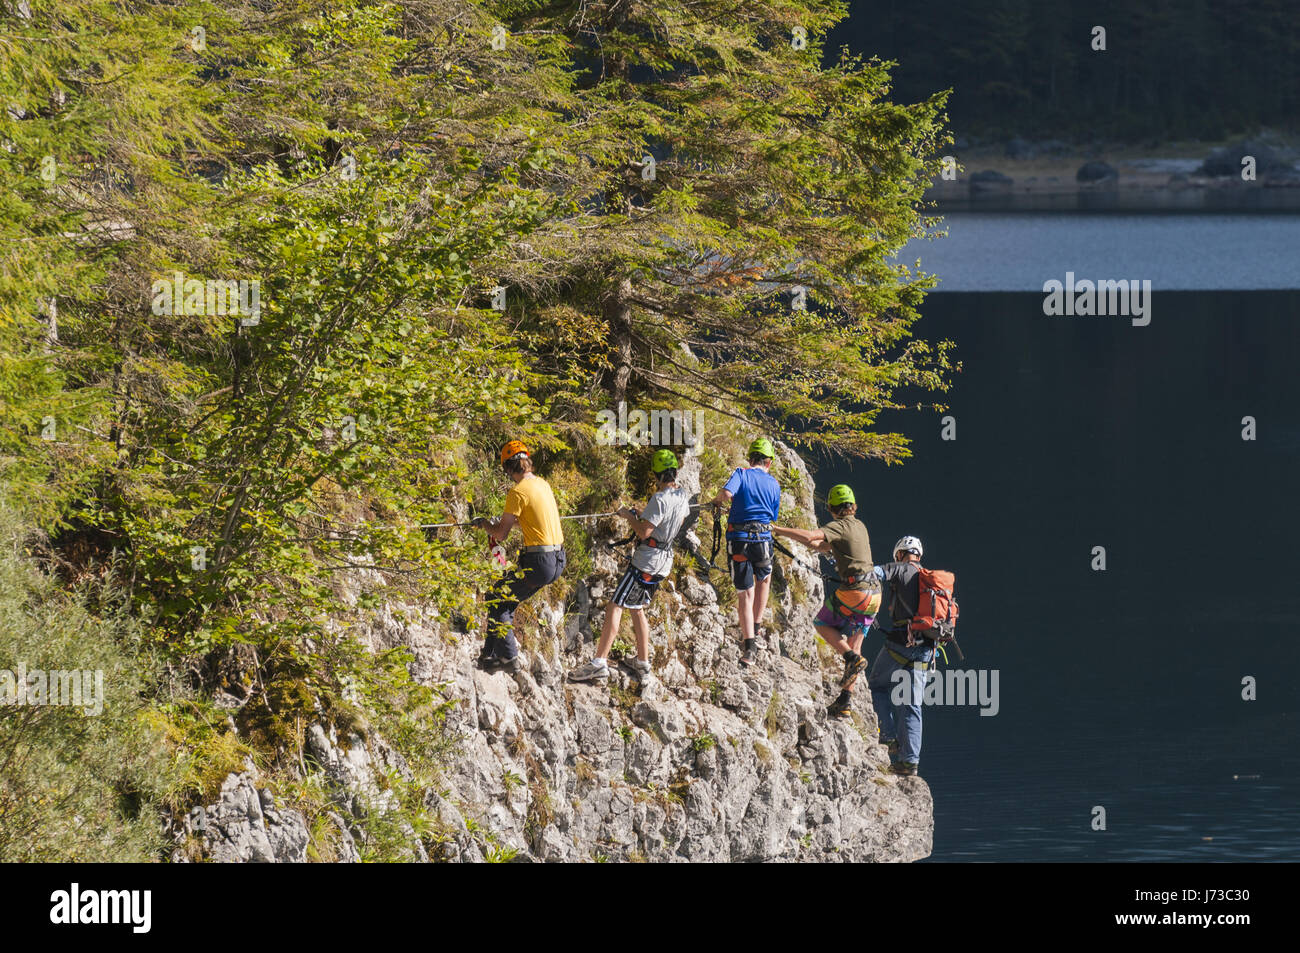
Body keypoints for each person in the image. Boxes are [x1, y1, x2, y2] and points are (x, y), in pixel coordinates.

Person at [569, 449, 691, 682]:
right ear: (674, 472)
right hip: (664, 562)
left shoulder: (660, 498)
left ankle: (599, 662)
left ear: (657, 474)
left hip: (647, 561)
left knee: (615, 606)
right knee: (637, 607)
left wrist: (628, 516)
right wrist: (645, 515)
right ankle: (643, 662)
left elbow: (645, 532)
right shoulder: (682, 495)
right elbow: (677, 520)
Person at [772, 484, 881, 720]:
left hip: (855, 591)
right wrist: (803, 542)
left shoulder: (838, 525)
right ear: (854, 506)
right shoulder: (859, 526)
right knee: (855, 644)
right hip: (875, 595)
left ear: (831, 508)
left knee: (822, 623)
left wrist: (778, 530)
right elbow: (818, 545)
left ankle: (851, 659)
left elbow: (813, 536)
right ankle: (844, 703)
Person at [471, 440, 566, 672]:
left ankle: (509, 659)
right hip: (558, 560)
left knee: (497, 598)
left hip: (539, 562)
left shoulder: (518, 491)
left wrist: (484, 524)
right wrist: (500, 522)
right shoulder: (543, 485)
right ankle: (489, 656)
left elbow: (501, 535)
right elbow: (530, 523)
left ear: (509, 468)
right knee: (505, 600)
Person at [711, 438, 782, 667]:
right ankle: (757, 624)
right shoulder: (774, 484)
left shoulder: (741, 474)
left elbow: (727, 495)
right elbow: (772, 515)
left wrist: (716, 501)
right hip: (763, 540)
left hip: (739, 539)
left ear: (750, 458)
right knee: (764, 579)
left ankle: (749, 647)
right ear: (769, 462)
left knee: (744, 593)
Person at [864, 535, 932, 776]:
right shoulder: (928, 577)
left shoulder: (900, 568)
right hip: (926, 649)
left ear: (901, 553)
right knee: (911, 704)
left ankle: (888, 736)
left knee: (876, 686)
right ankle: (909, 762)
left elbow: (874, 574)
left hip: (900, 643)